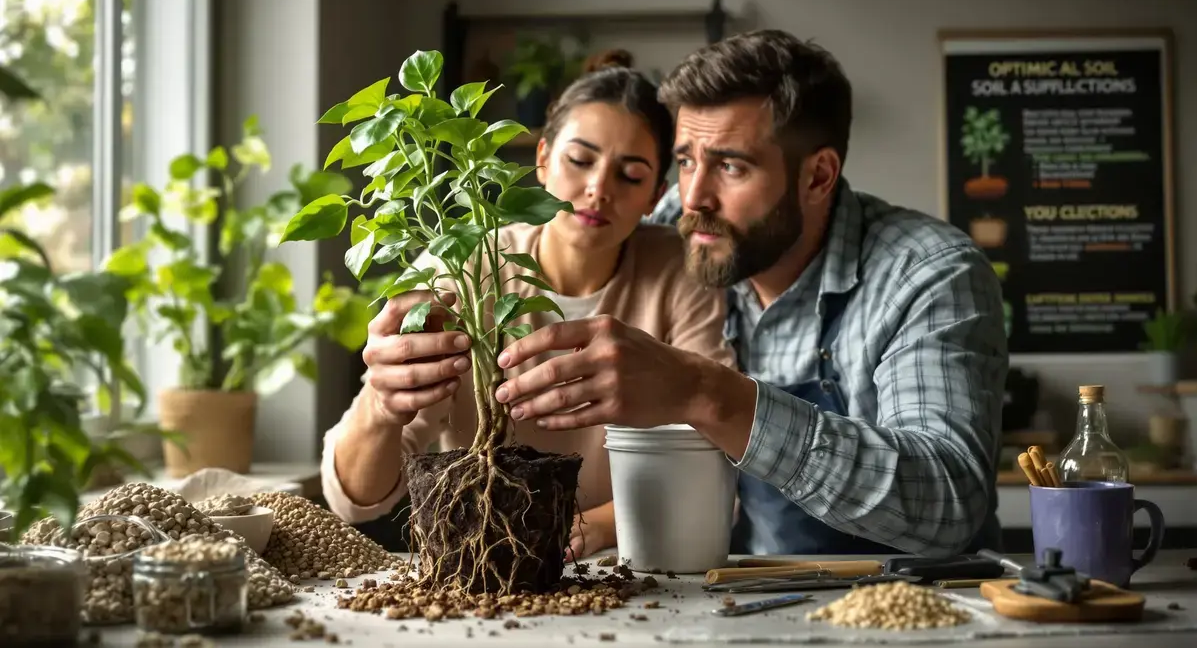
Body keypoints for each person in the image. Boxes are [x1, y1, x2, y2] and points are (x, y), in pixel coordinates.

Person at [489, 29, 1009, 558]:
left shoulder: (925, 273)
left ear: (817, 176)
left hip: (912, 610)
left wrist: (707, 392)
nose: (693, 197)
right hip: (738, 600)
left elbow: (948, 503)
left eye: (731, 166)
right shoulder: (682, 231)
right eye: (686, 160)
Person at [319, 55, 735, 560]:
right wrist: (383, 406)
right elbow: (355, 500)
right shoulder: (463, 262)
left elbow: (709, 460)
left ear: (655, 196)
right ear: (542, 159)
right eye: (579, 161)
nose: (598, 189)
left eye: (629, 175)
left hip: (628, 568)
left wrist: (594, 527)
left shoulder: (678, 272)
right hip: (480, 560)